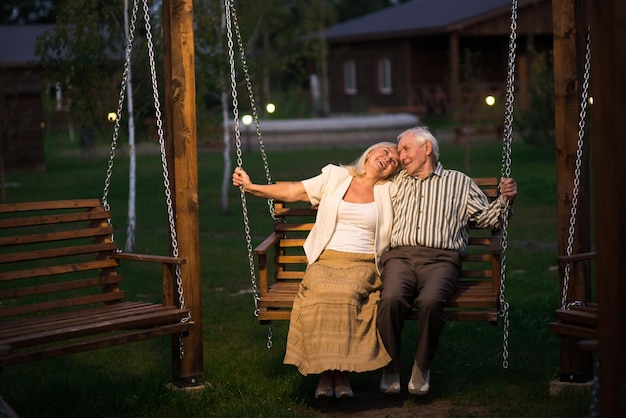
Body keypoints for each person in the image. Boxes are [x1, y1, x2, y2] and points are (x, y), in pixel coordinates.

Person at [232, 142, 400, 399]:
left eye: (394, 161)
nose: (388, 159)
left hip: (363, 262)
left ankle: (339, 373)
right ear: (369, 152)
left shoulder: (392, 191)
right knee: (319, 294)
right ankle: (327, 373)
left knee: (345, 295)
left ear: (393, 172)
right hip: (325, 259)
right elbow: (292, 190)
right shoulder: (336, 177)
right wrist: (252, 187)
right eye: (385, 151)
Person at [377, 126, 517, 396]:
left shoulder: (459, 182)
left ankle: (421, 365)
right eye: (400, 151)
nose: (401, 155)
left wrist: (505, 199)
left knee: (430, 302)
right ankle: (390, 366)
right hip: (400, 258)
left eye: (406, 149)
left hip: (441, 260)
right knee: (391, 299)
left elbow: (488, 219)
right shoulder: (396, 182)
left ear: (426, 148)